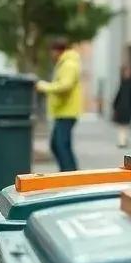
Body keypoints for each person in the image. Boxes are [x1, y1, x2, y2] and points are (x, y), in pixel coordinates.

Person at [36, 39, 83, 172]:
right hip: (63, 111)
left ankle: (70, 173)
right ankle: (69, 172)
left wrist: (44, 86)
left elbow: (65, 85)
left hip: (67, 111)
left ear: (57, 51)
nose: (51, 55)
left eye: (52, 52)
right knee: (58, 144)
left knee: (61, 145)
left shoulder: (68, 64)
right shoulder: (65, 63)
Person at [112, 65, 131, 148]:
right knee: (123, 126)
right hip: (123, 108)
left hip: (126, 108)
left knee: (124, 126)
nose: (127, 74)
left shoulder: (126, 83)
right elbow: (119, 96)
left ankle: (122, 141)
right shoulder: (126, 84)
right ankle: (122, 141)